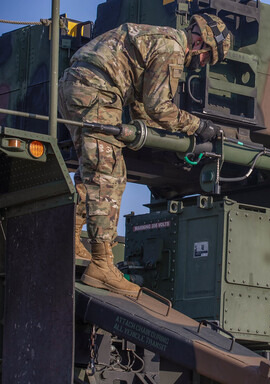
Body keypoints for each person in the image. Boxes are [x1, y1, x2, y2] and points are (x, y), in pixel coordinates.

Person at [58, 14, 231, 297]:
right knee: (108, 175)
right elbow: (158, 106)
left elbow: (141, 103)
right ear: (200, 41)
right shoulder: (174, 49)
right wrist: (199, 127)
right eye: (207, 57)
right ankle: (102, 265)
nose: (202, 64)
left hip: (78, 86)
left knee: (94, 171)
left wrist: (159, 136)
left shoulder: (159, 38)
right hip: (98, 91)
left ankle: (70, 237)